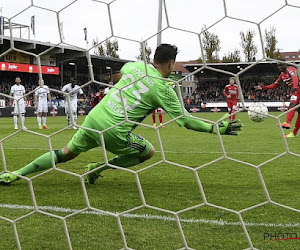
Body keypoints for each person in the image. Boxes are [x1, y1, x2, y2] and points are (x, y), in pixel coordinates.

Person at [0, 44, 242, 185]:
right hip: (115, 129)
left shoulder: (135, 66)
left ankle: (16, 174)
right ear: (171, 64)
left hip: (94, 117)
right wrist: (217, 128)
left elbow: (120, 72)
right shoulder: (164, 89)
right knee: (148, 152)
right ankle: (97, 169)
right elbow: (186, 121)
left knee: (65, 153)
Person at [255, 61, 300, 130]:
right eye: (278, 66)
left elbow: (295, 78)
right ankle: (288, 124)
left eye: (281, 65)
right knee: (292, 106)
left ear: (285, 64)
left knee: (293, 106)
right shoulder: (282, 75)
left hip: (297, 89)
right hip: (296, 91)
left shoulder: (291, 69)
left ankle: (290, 126)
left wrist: (294, 87)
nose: (280, 67)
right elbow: (274, 85)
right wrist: (263, 87)